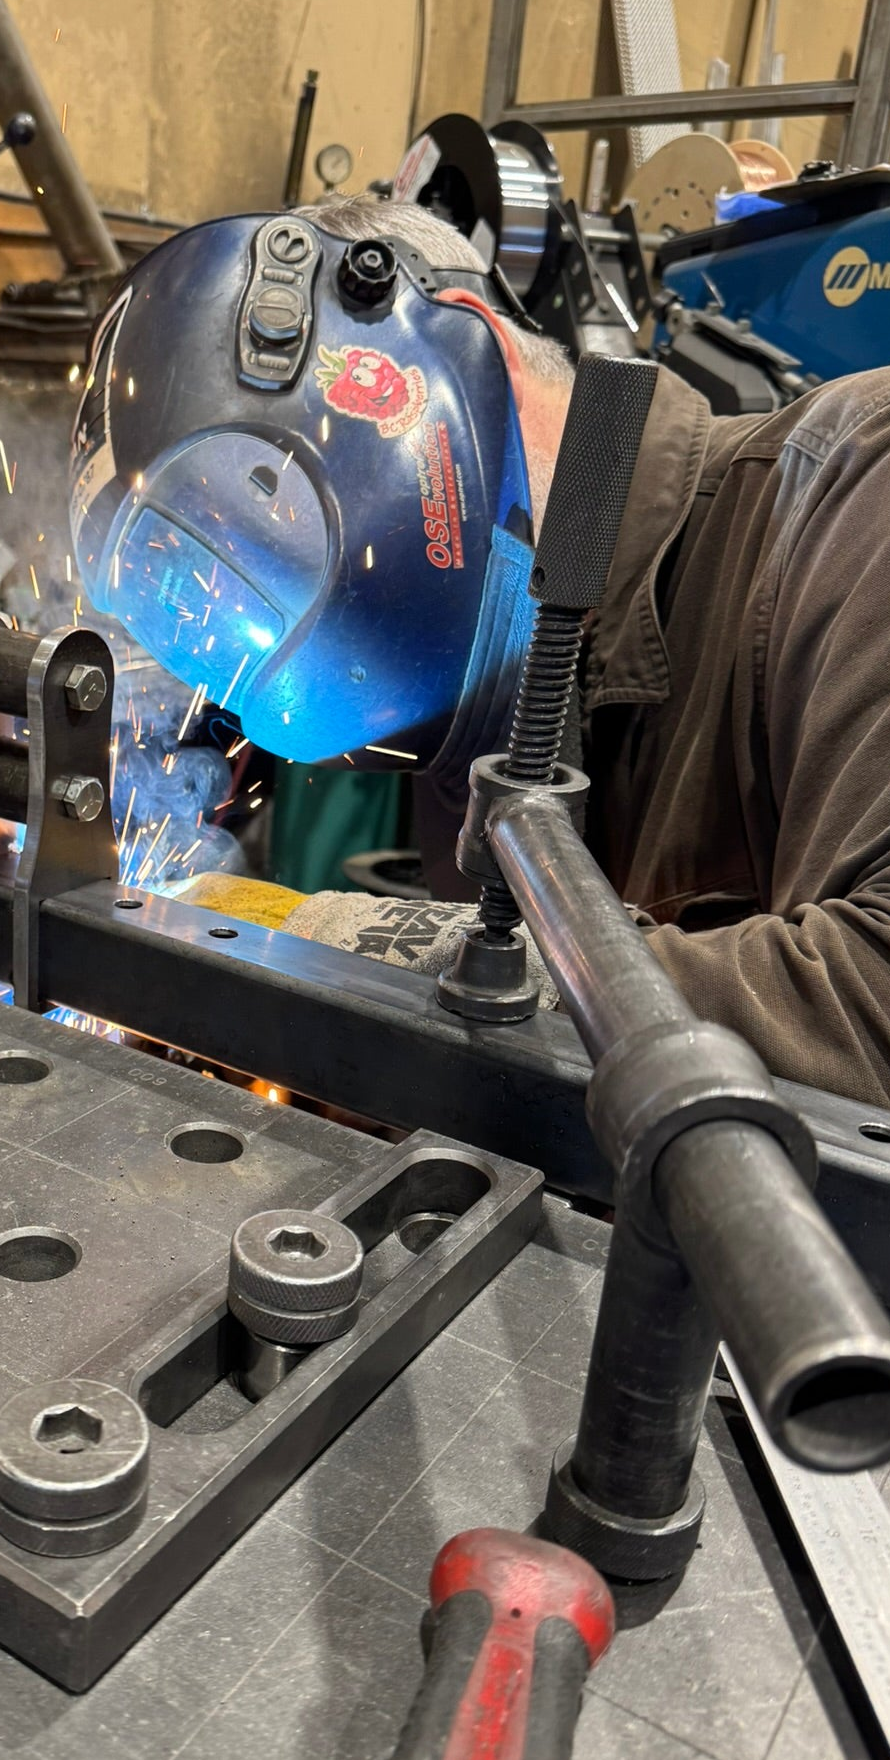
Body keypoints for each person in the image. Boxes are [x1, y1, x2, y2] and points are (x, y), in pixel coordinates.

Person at [69, 195, 890, 1108]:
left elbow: (873, 1005)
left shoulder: (854, 491)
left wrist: (335, 952)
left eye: (275, 541)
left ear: (455, 351)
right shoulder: (480, 689)